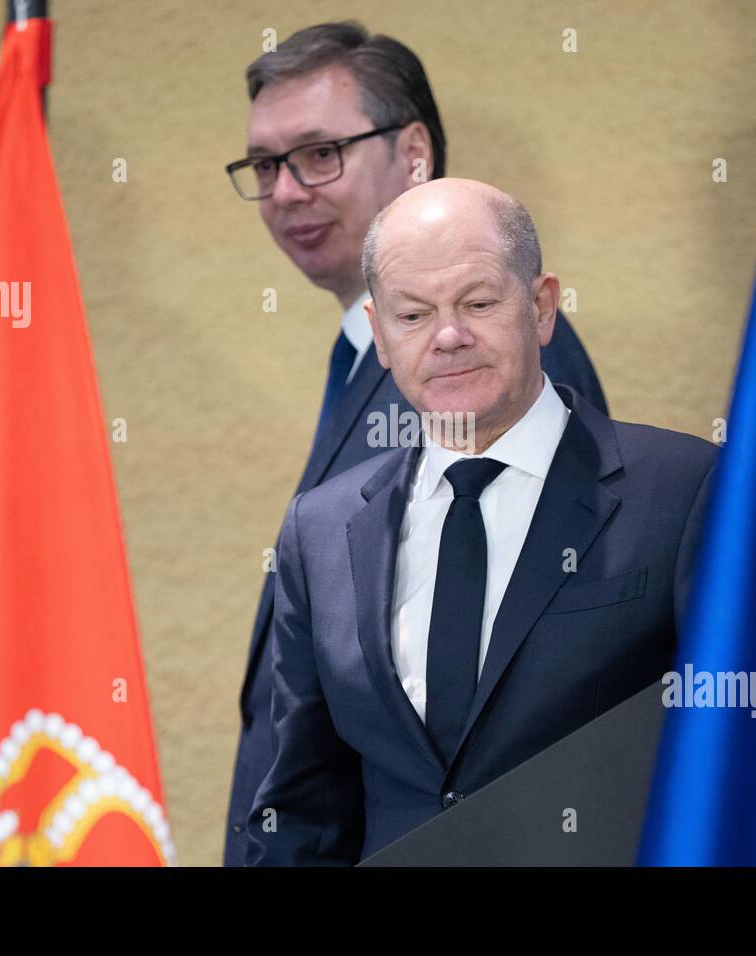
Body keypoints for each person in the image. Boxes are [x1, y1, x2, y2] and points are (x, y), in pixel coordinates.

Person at [222, 22, 608, 866]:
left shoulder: (498, 356)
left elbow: (521, 681)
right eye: (265, 165)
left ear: (414, 155)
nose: (286, 191)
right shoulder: (364, 356)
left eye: (319, 153)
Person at [246, 178, 716, 865]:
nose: (448, 337)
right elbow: (303, 808)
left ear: (542, 306)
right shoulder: (319, 532)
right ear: (379, 336)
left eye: (478, 302)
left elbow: (745, 759)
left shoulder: (687, 489)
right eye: (412, 315)